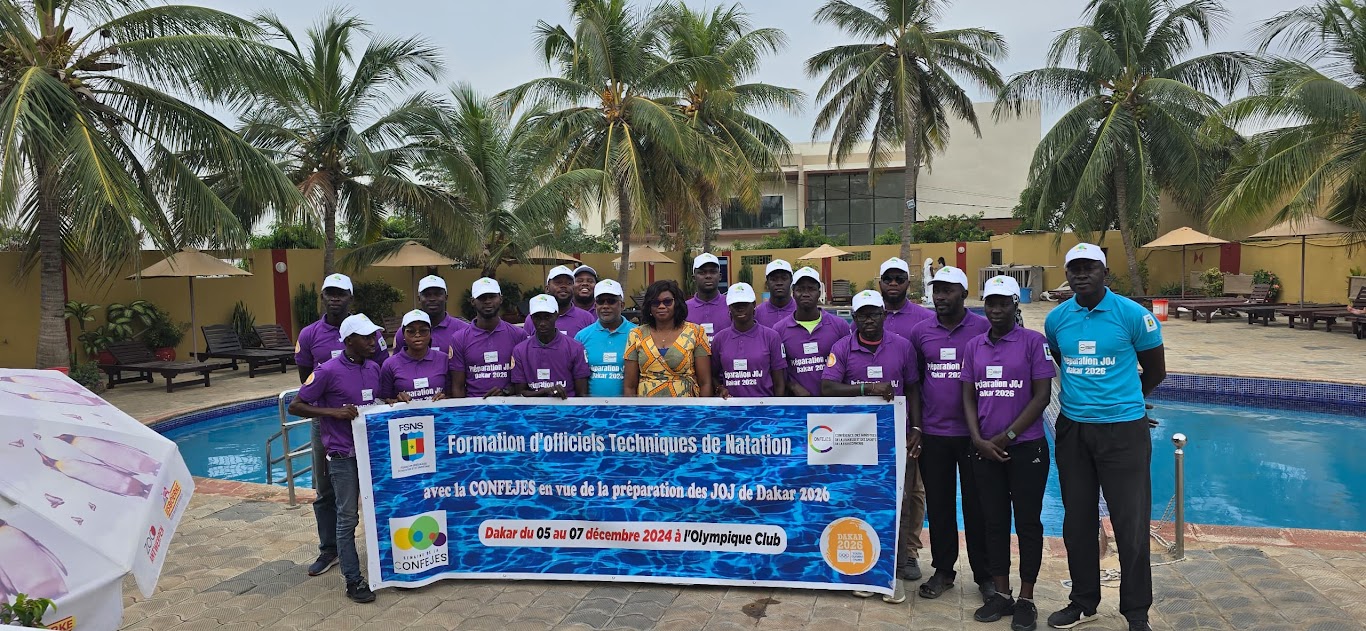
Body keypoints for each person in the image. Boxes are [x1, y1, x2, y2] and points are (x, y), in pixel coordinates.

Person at [1044, 244, 1165, 631]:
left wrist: (1124, 404)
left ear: (1104, 271)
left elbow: (1156, 371)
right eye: (1074, 268)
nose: (1080, 274)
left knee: (1130, 523)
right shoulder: (1057, 319)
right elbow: (1063, 365)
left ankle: (1136, 611)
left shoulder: (1133, 316)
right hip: (1074, 430)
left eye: (1088, 267)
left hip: (1124, 432)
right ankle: (1083, 601)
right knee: (1077, 521)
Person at [961, 276, 1056, 631]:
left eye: (1003, 303)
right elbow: (968, 396)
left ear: (1016, 305)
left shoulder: (1034, 342)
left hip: (1026, 448)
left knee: (1028, 523)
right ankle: (1001, 593)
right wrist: (977, 439)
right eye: (990, 303)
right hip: (984, 450)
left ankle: (1027, 598)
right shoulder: (974, 346)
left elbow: (1041, 396)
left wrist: (1008, 435)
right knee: (994, 522)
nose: (996, 310)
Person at [821, 289, 921, 604]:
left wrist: (916, 428)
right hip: (856, 442)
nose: (868, 320)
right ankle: (864, 568)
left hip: (895, 439)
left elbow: (915, 389)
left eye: (873, 313)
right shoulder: (842, 347)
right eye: (861, 314)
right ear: (854, 317)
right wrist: (865, 388)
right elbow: (827, 387)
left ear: (883, 315)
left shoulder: (902, 347)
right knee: (860, 500)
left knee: (899, 504)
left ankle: (895, 573)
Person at [292, 273, 386, 579]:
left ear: (350, 296)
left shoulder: (370, 347)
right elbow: (307, 381)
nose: (335, 298)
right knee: (327, 490)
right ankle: (329, 550)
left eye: (341, 293)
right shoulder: (309, 335)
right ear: (323, 297)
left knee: (375, 492)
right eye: (329, 293)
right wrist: (332, 410)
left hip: (366, 431)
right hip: (329, 426)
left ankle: (378, 551)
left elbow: (383, 371)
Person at [909, 265, 993, 603]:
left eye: (947, 290)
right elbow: (915, 381)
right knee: (940, 506)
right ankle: (944, 570)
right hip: (934, 433)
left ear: (963, 292)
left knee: (977, 506)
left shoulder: (983, 327)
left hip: (974, 435)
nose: (940, 296)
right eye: (936, 290)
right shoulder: (921, 332)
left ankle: (985, 575)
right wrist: (918, 426)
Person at [878, 256, 933, 582]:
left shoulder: (923, 320)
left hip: (910, 422)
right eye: (889, 279)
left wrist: (917, 424)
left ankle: (910, 551)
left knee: (913, 490)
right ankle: (882, 546)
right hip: (869, 428)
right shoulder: (866, 316)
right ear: (880, 283)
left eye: (900, 278)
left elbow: (920, 379)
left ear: (907, 283)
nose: (894, 284)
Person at [625, 279, 714, 397]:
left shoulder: (696, 332)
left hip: (685, 410)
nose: (661, 306)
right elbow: (629, 386)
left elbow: (705, 383)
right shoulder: (636, 334)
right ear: (649, 307)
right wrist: (633, 414)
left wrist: (702, 413)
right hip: (646, 410)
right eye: (655, 303)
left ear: (676, 303)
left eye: (667, 302)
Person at [776, 267, 850, 397]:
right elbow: (777, 371)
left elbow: (850, 365)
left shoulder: (840, 326)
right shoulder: (779, 330)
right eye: (800, 289)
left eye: (811, 289)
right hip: (797, 407)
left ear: (819, 292)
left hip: (834, 406)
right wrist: (792, 385)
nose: (805, 294)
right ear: (793, 292)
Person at [450, 277, 528, 398]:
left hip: (510, 410)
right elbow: (457, 386)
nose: (487, 301)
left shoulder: (518, 335)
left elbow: (525, 381)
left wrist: (506, 392)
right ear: (472, 301)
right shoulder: (459, 339)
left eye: (492, 296)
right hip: (474, 410)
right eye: (482, 297)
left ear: (500, 299)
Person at [711, 282, 787, 398]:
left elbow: (779, 383)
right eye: (735, 305)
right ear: (729, 307)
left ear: (754, 305)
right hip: (731, 409)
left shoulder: (771, 337)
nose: (740, 308)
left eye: (744, 304)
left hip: (763, 408)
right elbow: (713, 375)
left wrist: (776, 410)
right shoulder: (719, 339)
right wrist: (719, 388)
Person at [511, 295, 592, 398]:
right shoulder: (520, 350)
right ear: (531, 318)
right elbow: (520, 393)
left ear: (556, 316)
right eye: (537, 318)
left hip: (567, 411)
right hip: (532, 411)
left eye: (547, 317)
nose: (543, 323)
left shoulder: (575, 348)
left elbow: (582, 394)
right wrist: (544, 392)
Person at [575, 279, 638, 397]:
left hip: (626, 410)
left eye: (611, 301)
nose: (605, 306)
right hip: (593, 410)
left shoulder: (637, 334)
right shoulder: (582, 336)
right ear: (595, 306)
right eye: (600, 301)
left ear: (622, 305)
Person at [379, 310, 449, 404]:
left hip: (439, 417)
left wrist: (446, 397)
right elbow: (384, 400)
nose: (417, 335)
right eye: (411, 331)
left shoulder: (444, 360)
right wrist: (397, 400)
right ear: (403, 334)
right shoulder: (390, 364)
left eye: (423, 331)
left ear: (430, 333)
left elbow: (453, 393)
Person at [394, 275, 467, 357]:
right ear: (419, 299)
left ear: (446, 298)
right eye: (427, 295)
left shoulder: (463, 330)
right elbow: (397, 363)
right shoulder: (407, 331)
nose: (432, 299)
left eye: (437, 294)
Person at [524, 265, 596, 338]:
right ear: (547, 289)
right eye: (558, 282)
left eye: (569, 283)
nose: (563, 286)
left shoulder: (587, 318)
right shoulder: (533, 318)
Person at [686, 253, 729, 339]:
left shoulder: (731, 305)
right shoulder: (683, 308)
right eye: (702, 272)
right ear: (694, 278)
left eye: (713, 272)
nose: (708, 276)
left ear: (720, 276)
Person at [754, 259, 795, 328]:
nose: (779, 283)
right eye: (774, 279)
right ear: (767, 283)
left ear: (791, 281)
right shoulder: (756, 314)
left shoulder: (801, 311)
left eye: (784, 278)